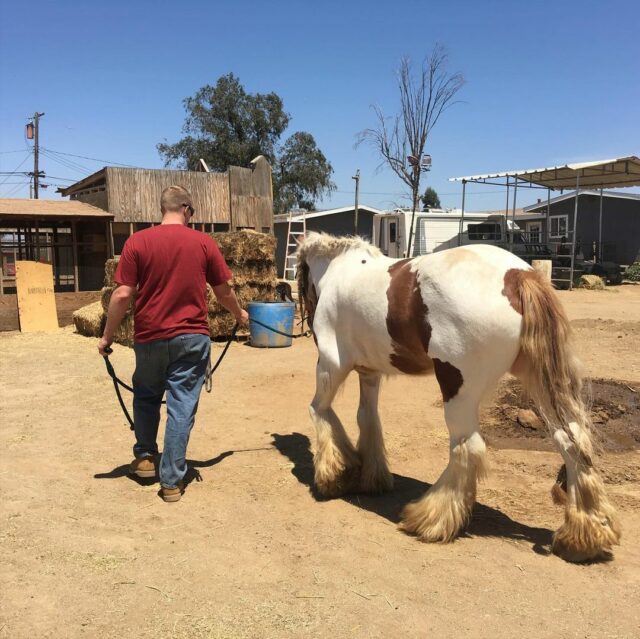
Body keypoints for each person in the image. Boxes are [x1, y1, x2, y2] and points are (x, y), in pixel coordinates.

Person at [98, 185, 249, 502]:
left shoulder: (137, 242)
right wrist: (240, 314)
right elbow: (223, 292)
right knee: (181, 407)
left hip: (150, 337)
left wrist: (107, 336)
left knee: (146, 396)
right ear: (186, 209)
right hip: (192, 339)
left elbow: (123, 294)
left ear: (162, 209)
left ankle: (144, 458)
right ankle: (170, 483)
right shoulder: (204, 242)